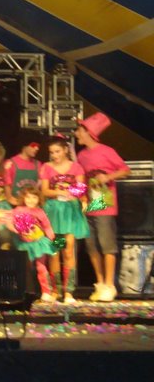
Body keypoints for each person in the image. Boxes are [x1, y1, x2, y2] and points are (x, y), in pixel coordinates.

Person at [75, 113, 130, 302]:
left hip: (105, 204)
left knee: (107, 245)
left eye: (79, 130)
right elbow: (81, 180)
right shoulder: (81, 155)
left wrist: (108, 177)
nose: (76, 134)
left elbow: (125, 170)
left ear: (88, 132)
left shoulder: (107, 151)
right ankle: (99, 283)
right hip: (90, 204)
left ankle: (109, 284)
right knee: (91, 246)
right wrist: (77, 195)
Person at [40, 135, 88, 304]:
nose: (55, 155)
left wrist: (74, 195)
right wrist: (60, 192)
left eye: (57, 151)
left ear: (66, 150)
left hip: (69, 212)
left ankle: (69, 291)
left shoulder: (76, 167)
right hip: (54, 212)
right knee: (55, 251)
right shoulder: (47, 167)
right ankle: (56, 289)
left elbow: (81, 189)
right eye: (52, 152)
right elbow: (45, 191)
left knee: (68, 250)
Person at [11, 186, 56, 303]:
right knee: (25, 267)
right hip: (24, 244)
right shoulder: (18, 210)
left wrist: (51, 238)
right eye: (28, 197)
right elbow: (9, 221)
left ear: (39, 199)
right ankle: (24, 290)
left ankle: (46, 292)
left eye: (34, 197)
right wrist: (15, 230)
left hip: (39, 243)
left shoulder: (40, 212)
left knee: (41, 267)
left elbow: (47, 226)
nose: (31, 200)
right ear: (23, 198)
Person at [4, 130, 42, 206]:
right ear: (24, 145)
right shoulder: (10, 163)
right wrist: (12, 200)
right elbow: (7, 185)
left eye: (38, 146)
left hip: (32, 206)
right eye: (33, 145)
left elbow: (39, 187)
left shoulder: (38, 164)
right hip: (14, 205)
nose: (37, 148)